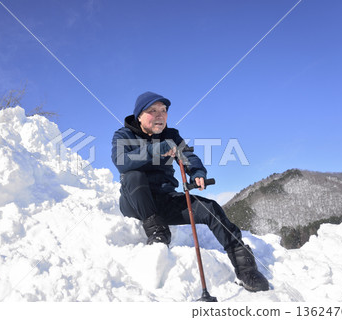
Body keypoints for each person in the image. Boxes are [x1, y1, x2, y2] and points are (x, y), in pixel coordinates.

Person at [111, 91, 269, 292]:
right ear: (139, 116)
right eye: (153, 111)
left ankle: (246, 268)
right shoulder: (123, 135)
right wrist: (154, 151)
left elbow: (187, 155)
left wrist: (197, 172)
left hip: (165, 199)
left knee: (210, 208)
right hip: (135, 203)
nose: (160, 115)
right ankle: (158, 233)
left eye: (164, 111)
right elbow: (121, 161)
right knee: (134, 175)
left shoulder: (171, 136)